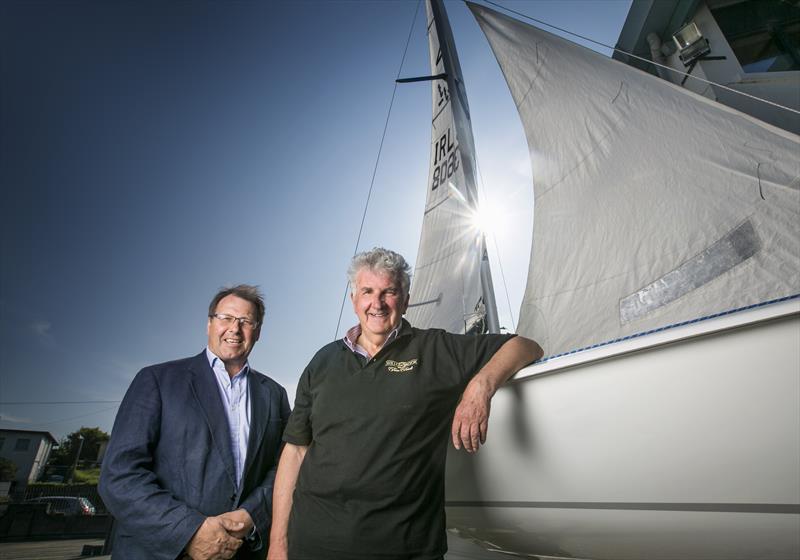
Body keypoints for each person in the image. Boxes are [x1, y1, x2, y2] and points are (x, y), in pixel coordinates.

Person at [268, 248, 543, 560]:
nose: (377, 303)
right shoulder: (322, 362)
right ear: (354, 299)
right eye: (367, 291)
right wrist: (278, 544)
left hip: (405, 549)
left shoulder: (435, 349)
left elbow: (524, 345)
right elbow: (296, 451)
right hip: (312, 545)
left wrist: (479, 388)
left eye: (389, 291)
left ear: (406, 299)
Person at [100, 285, 291, 560]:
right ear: (209, 324)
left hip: (242, 551)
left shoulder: (274, 393)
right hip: (159, 552)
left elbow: (281, 468)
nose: (234, 329)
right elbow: (119, 474)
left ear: (257, 332)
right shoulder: (156, 380)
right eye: (225, 318)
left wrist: (250, 515)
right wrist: (189, 531)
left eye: (245, 321)